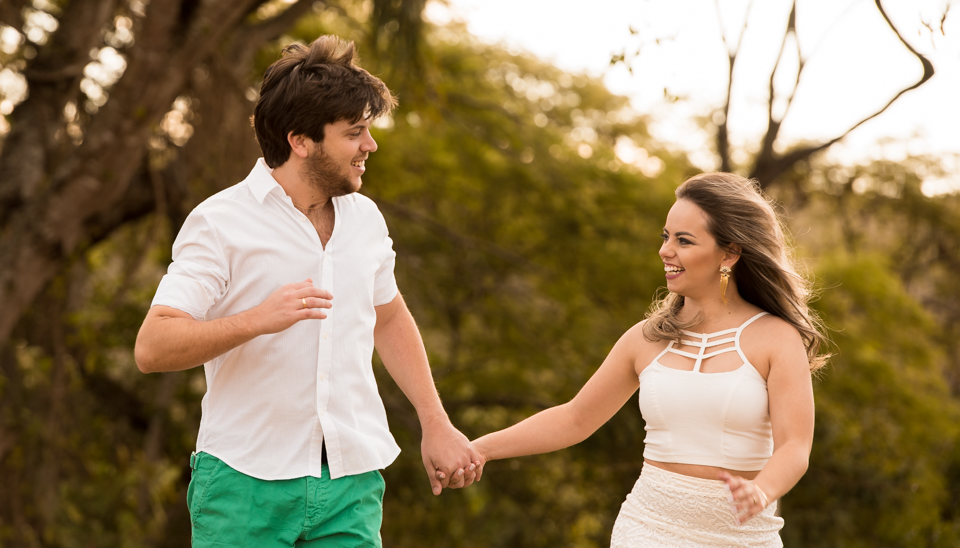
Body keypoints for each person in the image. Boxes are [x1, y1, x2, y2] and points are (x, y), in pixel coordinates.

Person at [135, 36, 480, 548]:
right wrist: (257, 318)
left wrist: (436, 422)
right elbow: (152, 347)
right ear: (301, 140)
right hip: (243, 484)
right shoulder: (220, 221)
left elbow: (388, 317)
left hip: (351, 482)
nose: (371, 145)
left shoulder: (365, 219)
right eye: (355, 133)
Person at [467, 172, 828, 547]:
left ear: (729, 253)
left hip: (743, 538)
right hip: (647, 530)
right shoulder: (645, 338)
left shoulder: (777, 339)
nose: (666, 250)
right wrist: (480, 450)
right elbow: (575, 418)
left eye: (684, 240)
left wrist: (762, 490)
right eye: (666, 236)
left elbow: (795, 448)